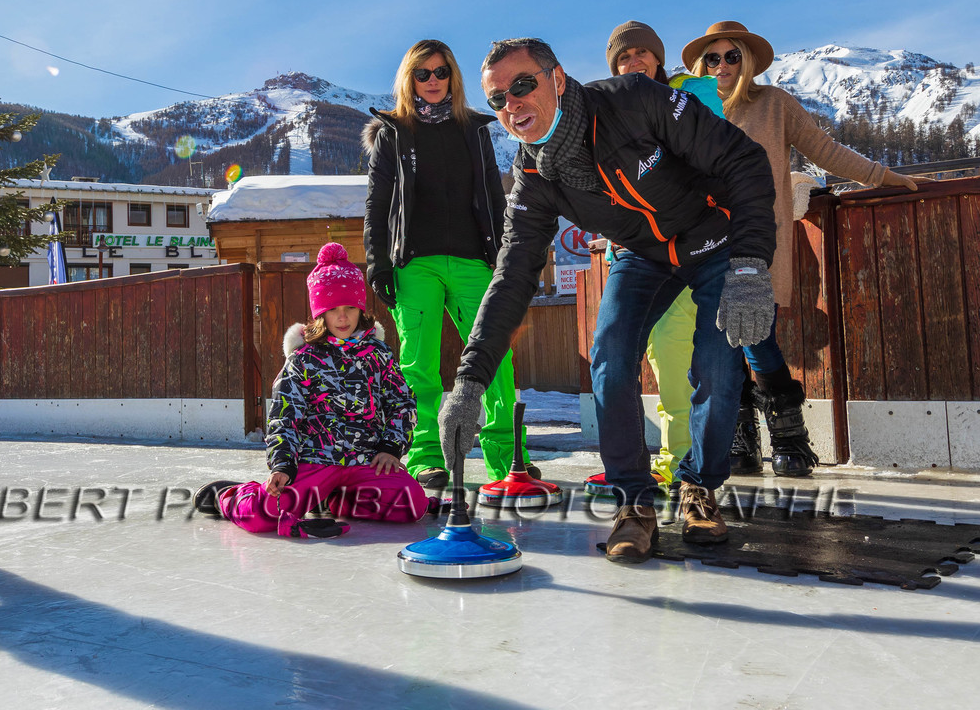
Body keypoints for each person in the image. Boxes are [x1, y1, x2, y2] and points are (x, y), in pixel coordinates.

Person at [439, 38, 777, 565]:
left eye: (522, 85)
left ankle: (699, 488)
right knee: (610, 358)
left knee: (717, 361)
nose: (512, 106)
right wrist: (470, 380)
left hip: (715, 240)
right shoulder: (532, 178)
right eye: (498, 100)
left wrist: (752, 262)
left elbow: (745, 160)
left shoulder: (635, 100)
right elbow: (512, 276)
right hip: (643, 256)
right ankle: (634, 504)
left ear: (557, 78)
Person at [682, 20, 916, 476]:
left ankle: (790, 438)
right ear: (700, 64)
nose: (724, 65)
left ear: (747, 62)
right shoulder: (688, 112)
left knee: (756, 338)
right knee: (717, 344)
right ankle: (740, 440)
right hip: (703, 243)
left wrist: (883, 176)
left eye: (733, 56)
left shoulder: (773, 104)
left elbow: (825, 151)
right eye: (714, 57)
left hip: (756, 241)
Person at [363, 39, 517, 488]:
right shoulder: (393, 133)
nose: (433, 81)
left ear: (453, 76)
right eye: (422, 73)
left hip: (474, 262)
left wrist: (503, 258)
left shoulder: (474, 129)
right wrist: (378, 263)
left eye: (441, 71)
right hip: (415, 265)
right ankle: (424, 456)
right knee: (419, 366)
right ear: (409, 80)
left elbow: (495, 195)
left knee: (495, 359)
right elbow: (377, 205)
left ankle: (506, 457)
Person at [200, 243, 428, 538]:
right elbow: (285, 416)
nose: (343, 318)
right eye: (333, 310)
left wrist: (390, 447)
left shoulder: (378, 353)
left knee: (413, 505)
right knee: (263, 515)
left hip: (365, 461)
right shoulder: (303, 359)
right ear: (321, 313)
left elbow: (401, 402)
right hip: (315, 461)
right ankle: (231, 496)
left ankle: (334, 499)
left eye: (350, 308)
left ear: (361, 309)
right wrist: (283, 463)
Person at [603, 21, 727, 486]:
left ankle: (687, 467)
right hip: (640, 254)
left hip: (696, 246)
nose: (633, 63)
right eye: (623, 58)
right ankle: (674, 461)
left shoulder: (692, 97)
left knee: (690, 358)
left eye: (641, 54)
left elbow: (708, 159)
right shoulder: (612, 113)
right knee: (655, 356)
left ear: (657, 58)